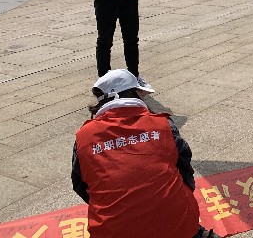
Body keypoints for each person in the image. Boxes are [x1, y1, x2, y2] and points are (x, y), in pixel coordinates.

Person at [71, 70, 218, 238]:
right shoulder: (163, 125)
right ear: (135, 94)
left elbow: (80, 185)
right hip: (177, 227)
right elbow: (185, 171)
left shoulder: (84, 137)